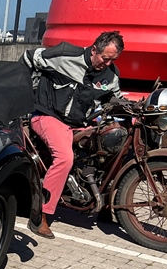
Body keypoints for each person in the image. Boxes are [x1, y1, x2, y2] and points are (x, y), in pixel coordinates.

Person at [21, 31, 126, 239]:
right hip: (48, 117)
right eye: (105, 58)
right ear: (94, 50)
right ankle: (40, 214)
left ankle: (106, 204)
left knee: (111, 144)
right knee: (65, 158)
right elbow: (28, 58)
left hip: (80, 124)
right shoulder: (64, 55)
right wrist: (21, 93)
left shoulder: (111, 75)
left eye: (113, 60)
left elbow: (114, 99)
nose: (107, 64)